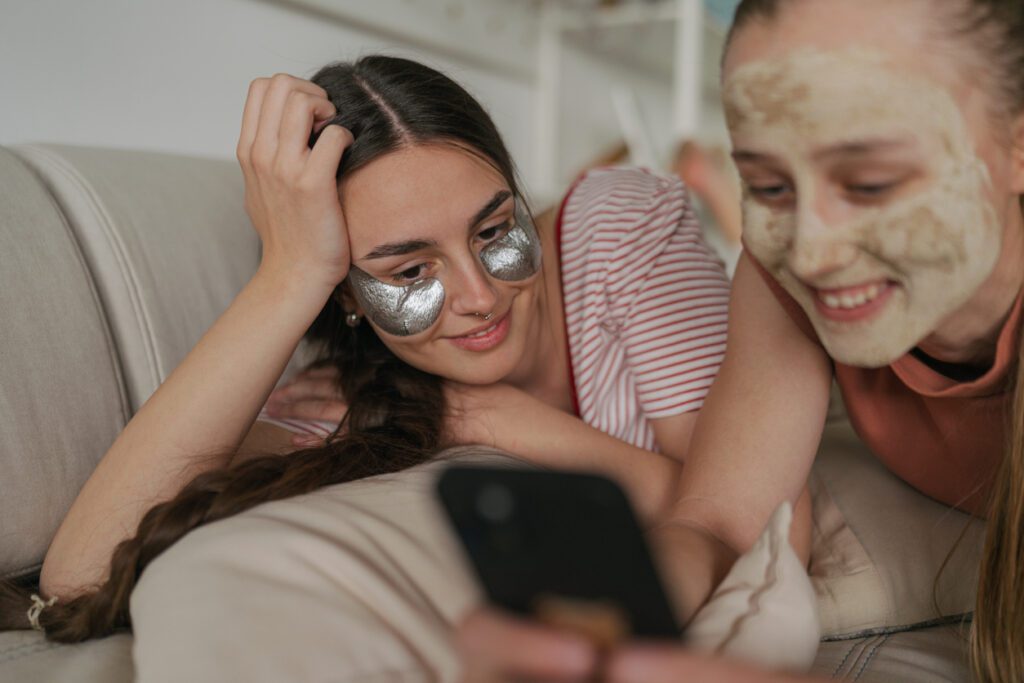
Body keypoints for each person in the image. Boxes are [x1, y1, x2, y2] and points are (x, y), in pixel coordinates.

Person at [0, 55, 731, 641]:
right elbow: (79, 572)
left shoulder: (619, 224)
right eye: (410, 271)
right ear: (346, 294)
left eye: (493, 230)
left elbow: (732, 507)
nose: (478, 294)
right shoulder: (363, 401)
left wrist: (496, 418)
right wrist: (288, 276)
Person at [452, 0, 1024, 681]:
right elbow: (721, 521)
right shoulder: (781, 271)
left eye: (870, 184)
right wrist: (607, 622)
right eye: (767, 184)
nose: (812, 252)